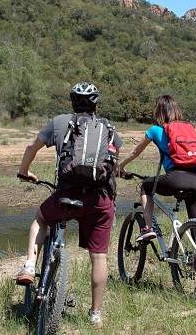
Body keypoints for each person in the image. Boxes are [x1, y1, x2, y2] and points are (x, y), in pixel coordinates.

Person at [12, 81, 122, 328]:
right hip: (100, 200)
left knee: (41, 217)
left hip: (67, 194)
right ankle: (95, 315)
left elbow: (32, 146)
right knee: (99, 256)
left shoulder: (60, 122)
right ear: (96, 104)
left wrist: (24, 171)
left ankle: (30, 265)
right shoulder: (111, 130)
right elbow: (113, 167)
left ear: (72, 102)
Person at [118, 94, 196, 291]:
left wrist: (120, 167)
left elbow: (135, 152)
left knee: (145, 186)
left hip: (176, 178)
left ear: (158, 112)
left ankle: (148, 228)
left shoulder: (156, 130)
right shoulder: (188, 129)